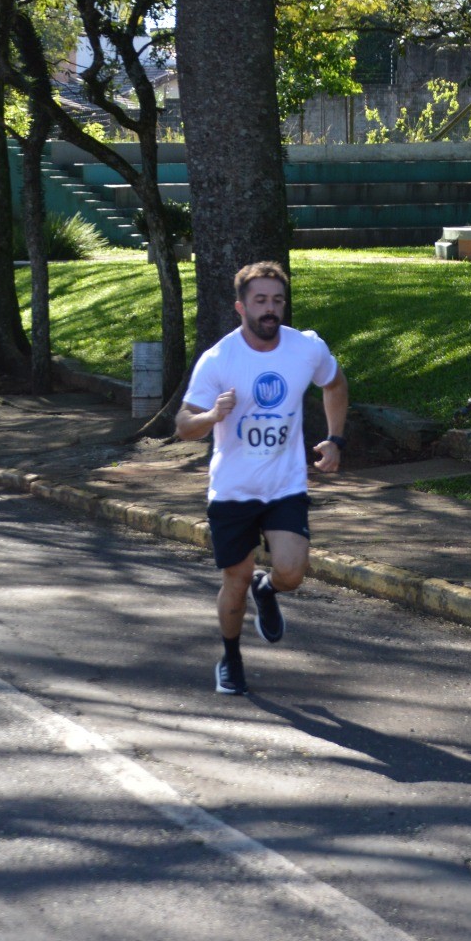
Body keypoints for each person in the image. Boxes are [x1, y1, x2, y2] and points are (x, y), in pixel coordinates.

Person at [175, 260, 349, 695]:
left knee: (292, 572)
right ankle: (231, 657)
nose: (270, 310)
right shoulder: (219, 358)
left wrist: (334, 438)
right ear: (241, 307)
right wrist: (213, 415)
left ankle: (267, 590)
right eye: (260, 301)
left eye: (277, 301)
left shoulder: (305, 348)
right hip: (233, 490)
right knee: (234, 578)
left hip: (284, 484)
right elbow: (183, 423)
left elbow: (335, 383)